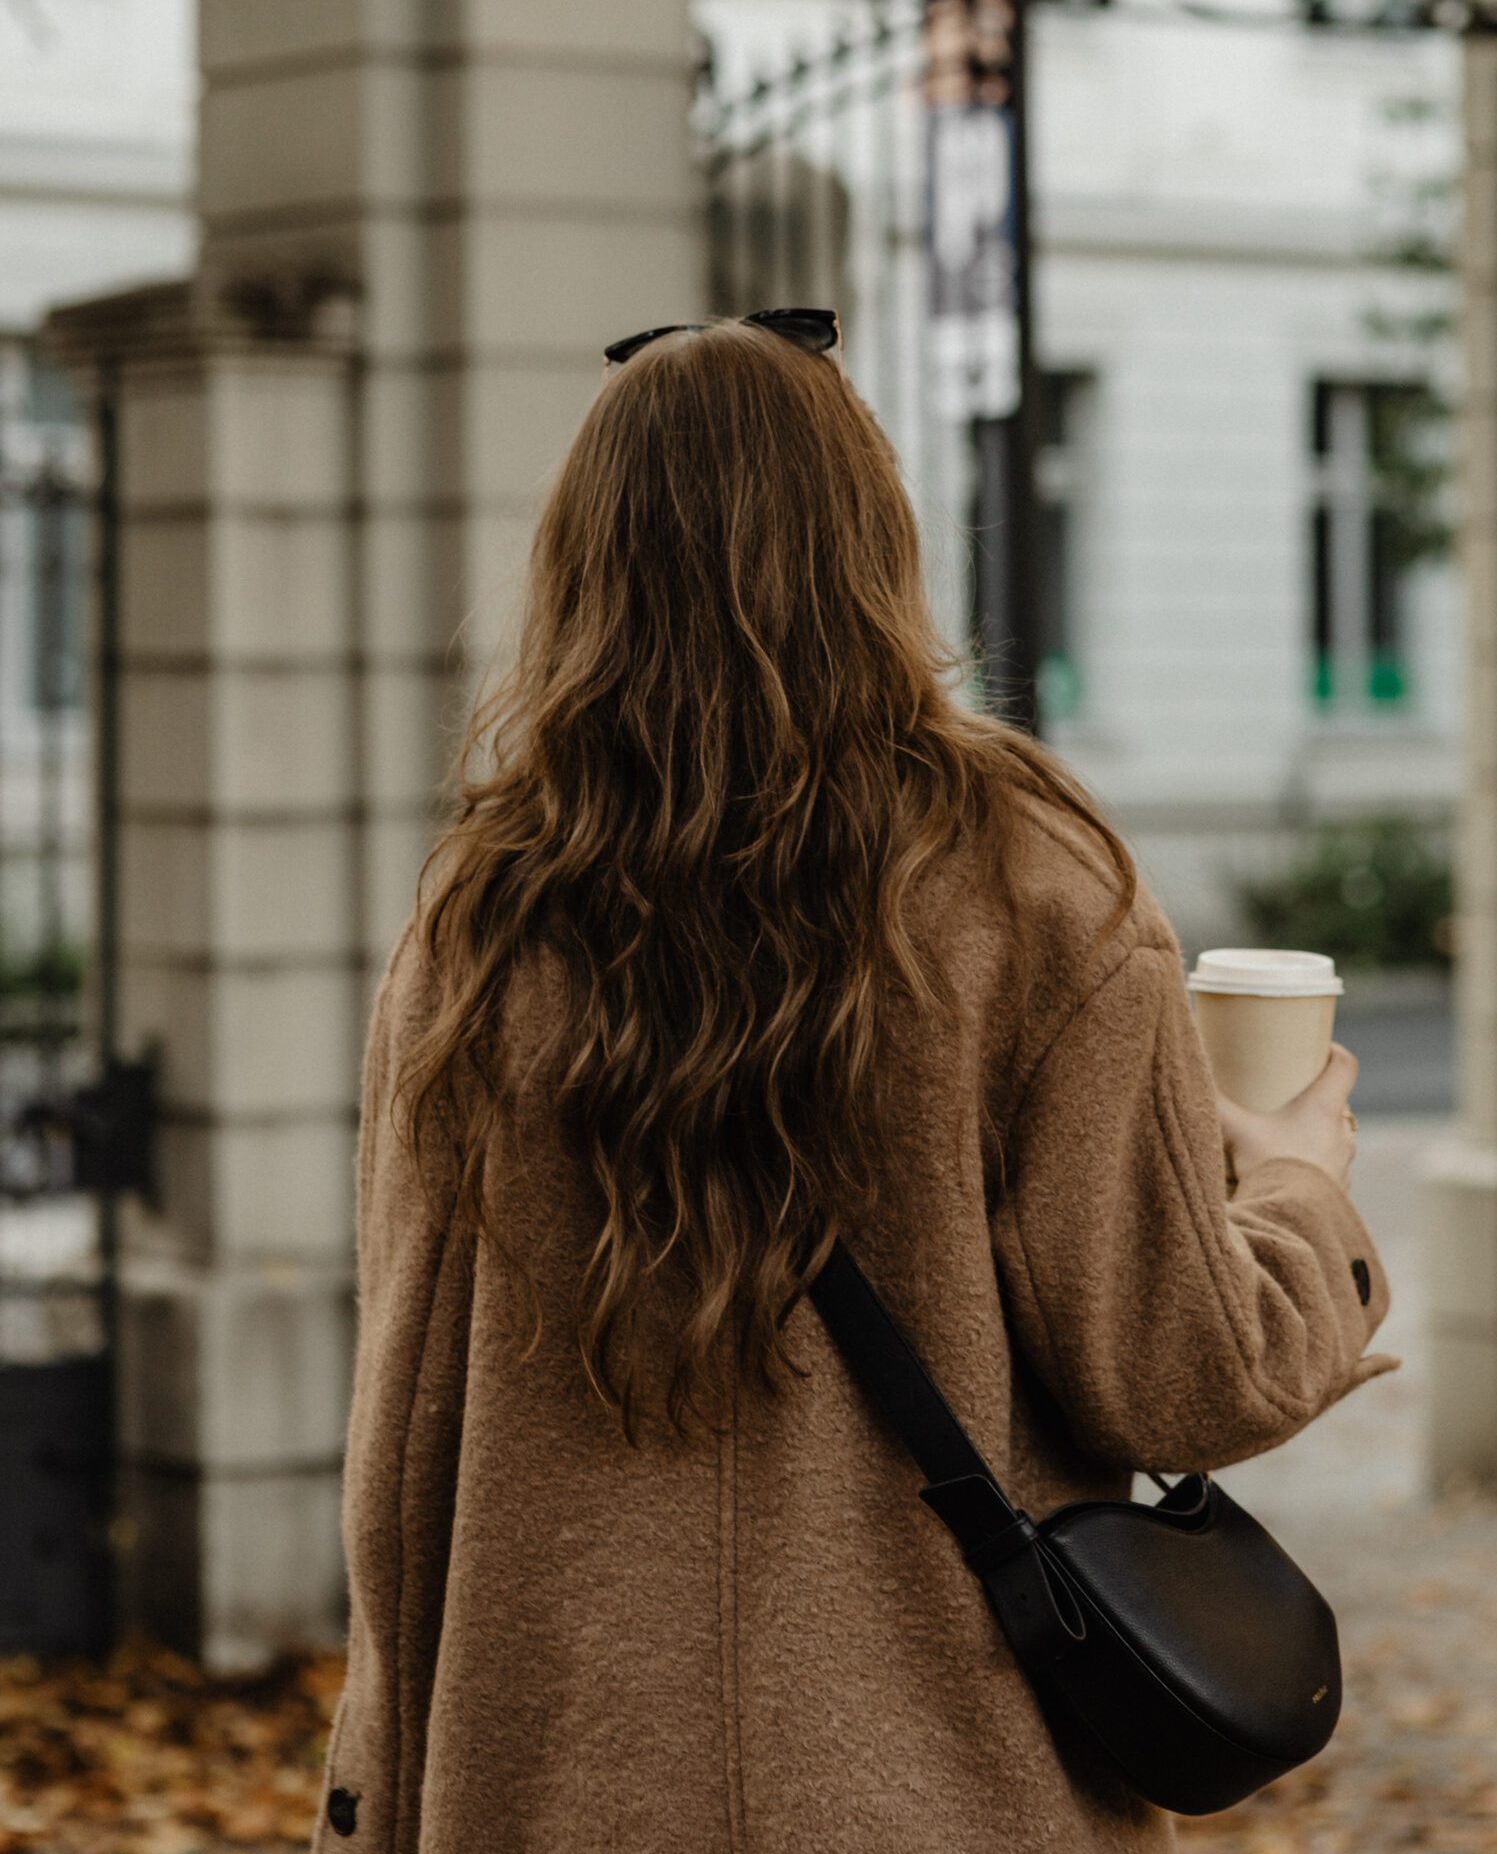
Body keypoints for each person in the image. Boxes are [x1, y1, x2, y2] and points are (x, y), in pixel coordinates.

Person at [312, 310, 1391, 1854]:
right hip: (944, 1791)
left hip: (557, 1788)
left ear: (583, 566)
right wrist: (1299, 1189)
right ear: (875, 543)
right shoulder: (1034, 888)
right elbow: (1181, 1378)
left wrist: (377, 1800)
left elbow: (403, 1444)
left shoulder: (482, 925)